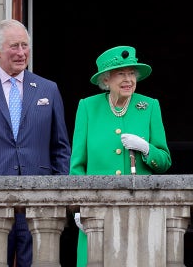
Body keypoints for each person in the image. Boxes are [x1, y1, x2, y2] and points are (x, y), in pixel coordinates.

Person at [0, 19, 71, 267]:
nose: (21, 53)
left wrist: (60, 192)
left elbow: (60, 147)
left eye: (25, 46)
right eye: (14, 47)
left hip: (40, 200)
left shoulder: (48, 90)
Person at [70, 45, 172, 267]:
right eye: (121, 74)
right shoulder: (88, 107)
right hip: (97, 210)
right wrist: (79, 207)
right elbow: (78, 165)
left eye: (131, 74)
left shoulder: (150, 106)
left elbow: (164, 161)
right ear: (106, 80)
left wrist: (146, 148)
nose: (129, 80)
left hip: (139, 210)